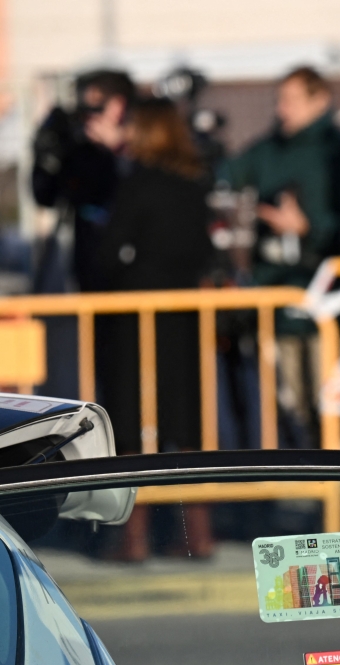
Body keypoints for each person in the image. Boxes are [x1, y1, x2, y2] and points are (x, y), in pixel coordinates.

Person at [94, 97, 216, 559]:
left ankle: (134, 537)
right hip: (184, 318)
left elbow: (109, 252)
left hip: (135, 318)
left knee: (134, 424)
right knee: (186, 426)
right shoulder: (194, 184)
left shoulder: (137, 184)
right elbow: (203, 251)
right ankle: (197, 535)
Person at [222, 66, 340, 445]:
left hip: (329, 303)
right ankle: (304, 477)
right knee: (290, 409)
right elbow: (224, 176)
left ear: (320, 100)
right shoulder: (267, 149)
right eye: (279, 100)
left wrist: (307, 228)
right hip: (276, 298)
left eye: (291, 99)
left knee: (334, 406)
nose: (281, 109)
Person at [32, 70, 136, 293]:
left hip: (134, 273)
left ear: (119, 106)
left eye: (96, 107)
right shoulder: (82, 151)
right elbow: (46, 196)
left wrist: (119, 148)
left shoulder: (142, 151)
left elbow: (150, 191)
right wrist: (47, 159)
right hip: (89, 263)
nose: (89, 118)